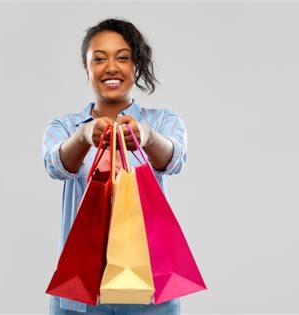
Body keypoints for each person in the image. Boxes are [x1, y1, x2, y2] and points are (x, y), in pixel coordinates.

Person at [42, 18, 187, 314]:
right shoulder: (65, 126)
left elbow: (174, 159)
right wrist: (83, 136)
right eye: (99, 59)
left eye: (123, 57)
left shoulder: (162, 121)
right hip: (80, 293)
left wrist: (145, 136)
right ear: (86, 69)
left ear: (137, 65)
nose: (111, 67)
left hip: (149, 292)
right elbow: (56, 165)